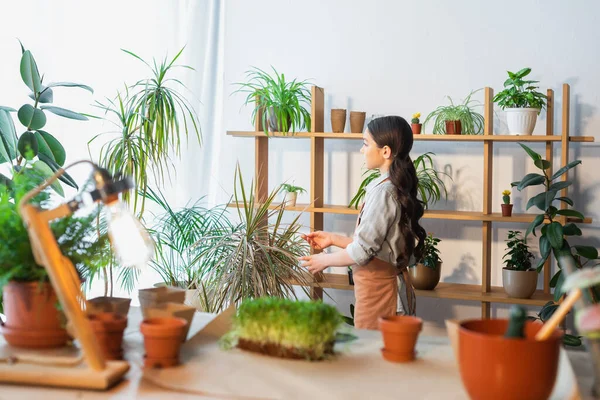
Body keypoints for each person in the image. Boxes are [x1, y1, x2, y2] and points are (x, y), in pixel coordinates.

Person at [299, 115, 427, 330]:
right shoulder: (387, 187)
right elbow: (376, 246)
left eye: (366, 144)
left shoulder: (385, 192)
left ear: (385, 151)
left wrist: (324, 261)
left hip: (382, 295)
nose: (362, 150)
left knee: (374, 357)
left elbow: (363, 252)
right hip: (378, 291)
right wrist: (333, 239)